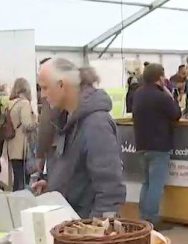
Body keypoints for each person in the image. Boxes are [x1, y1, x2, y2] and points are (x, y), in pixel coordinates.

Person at [32, 58, 125, 218]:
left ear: (62, 85)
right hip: (70, 224)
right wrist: (53, 185)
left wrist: (95, 230)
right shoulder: (65, 120)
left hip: (85, 228)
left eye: (45, 88)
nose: (43, 95)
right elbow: (75, 169)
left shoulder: (96, 124)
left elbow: (110, 188)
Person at [132, 64, 182, 230]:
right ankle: (152, 218)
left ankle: (143, 218)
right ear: (159, 78)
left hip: (142, 144)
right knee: (156, 184)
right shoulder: (161, 96)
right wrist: (169, 95)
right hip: (159, 144)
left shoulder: (138, 93)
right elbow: (176, 114)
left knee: (146, 183)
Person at [3, 78, 36, 191]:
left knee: (17, 180)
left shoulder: (10, 104)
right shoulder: (24, 104)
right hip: (22, 147)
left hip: (11, 147)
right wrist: (36, 123)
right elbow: (27, 124)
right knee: (23, 181)